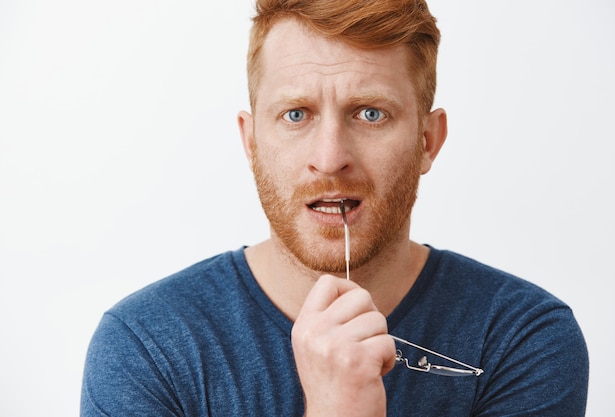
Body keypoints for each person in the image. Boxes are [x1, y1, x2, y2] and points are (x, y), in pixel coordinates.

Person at [80, 0, 589, 416]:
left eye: (371, 113)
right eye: (295, 114)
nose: (329, 159)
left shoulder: (522, 338)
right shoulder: (146, 347)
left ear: (428, 140)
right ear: (252, 141)